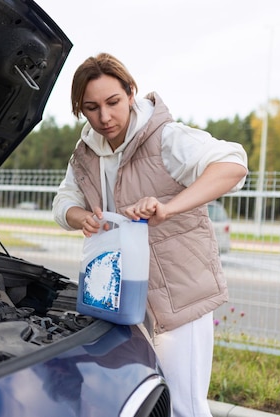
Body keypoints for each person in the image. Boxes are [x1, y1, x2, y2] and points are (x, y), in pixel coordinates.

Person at [52, 52, 248, 417]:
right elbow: (63, 201)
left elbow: (233, 165)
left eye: (113, 102)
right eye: (91, 107)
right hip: (121, 298)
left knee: (182, 406)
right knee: (139, 401)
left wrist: (168, 207)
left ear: (130, 93)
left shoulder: (166, 137)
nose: (105, 117)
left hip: (178, 298)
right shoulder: (84, 154)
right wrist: (82, 218)